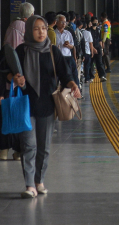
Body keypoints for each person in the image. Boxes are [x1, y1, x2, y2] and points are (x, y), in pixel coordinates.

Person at [9, 15, 81, 198]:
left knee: (44, 147)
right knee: (28, 145)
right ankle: (29, 185)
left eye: (43, 28)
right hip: (26, 104)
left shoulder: (53, 51)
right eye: (36, 29)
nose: (41, 32)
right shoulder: (21, 51)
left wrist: (73, 85)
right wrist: (14, 78)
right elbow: (5, 71)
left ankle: (39, 181)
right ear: (29, 31)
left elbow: (65, 74)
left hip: (47, 105)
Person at [54, 14, 80, 92]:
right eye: (62, 22)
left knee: (72, 76)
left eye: (65, 22)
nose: (64, 24)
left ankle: (76, 91)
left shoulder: (68, 33)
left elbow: (73, 46)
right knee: (59, 77)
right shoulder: (54, 33)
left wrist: (68, 45)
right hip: (58, 58)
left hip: (68, 57)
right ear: (56, 22)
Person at [90, 17, 107, 82]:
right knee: (91, 63)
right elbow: (89, 41)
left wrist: (101, 49)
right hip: (92, 48)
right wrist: (93, 49)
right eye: (95, 21)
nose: (96, 23)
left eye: (97, 22)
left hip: (98, 47)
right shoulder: (89, 30)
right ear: (91, 22)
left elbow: (100, 39)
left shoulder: (98, 30)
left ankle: (102, 76)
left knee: (99, 62)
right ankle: (91, 76)